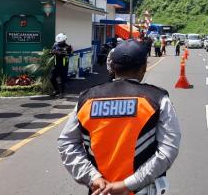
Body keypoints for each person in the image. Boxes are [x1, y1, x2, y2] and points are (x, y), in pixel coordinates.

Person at [58, 40, 181, 195]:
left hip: (100, 191)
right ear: (143, 68)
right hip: (142, 190)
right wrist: (128, 184)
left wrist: (93, 177)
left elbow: (67, 143)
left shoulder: (87, 99)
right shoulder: (157, 99)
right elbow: (168, 150)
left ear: (113, 68)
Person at [51, 33, 73, 98]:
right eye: (58, 41)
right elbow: (51, 51)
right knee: (52, 78)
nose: (59, 42)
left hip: (64, 66)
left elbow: (70, 53)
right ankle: (56, 90)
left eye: (60, 41)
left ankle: (62, 93)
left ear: (64, 40)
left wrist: (64, 53)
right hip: (56, 65)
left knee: (63, 80)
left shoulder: (68, 47)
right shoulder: (55, 45)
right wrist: (54, 52)